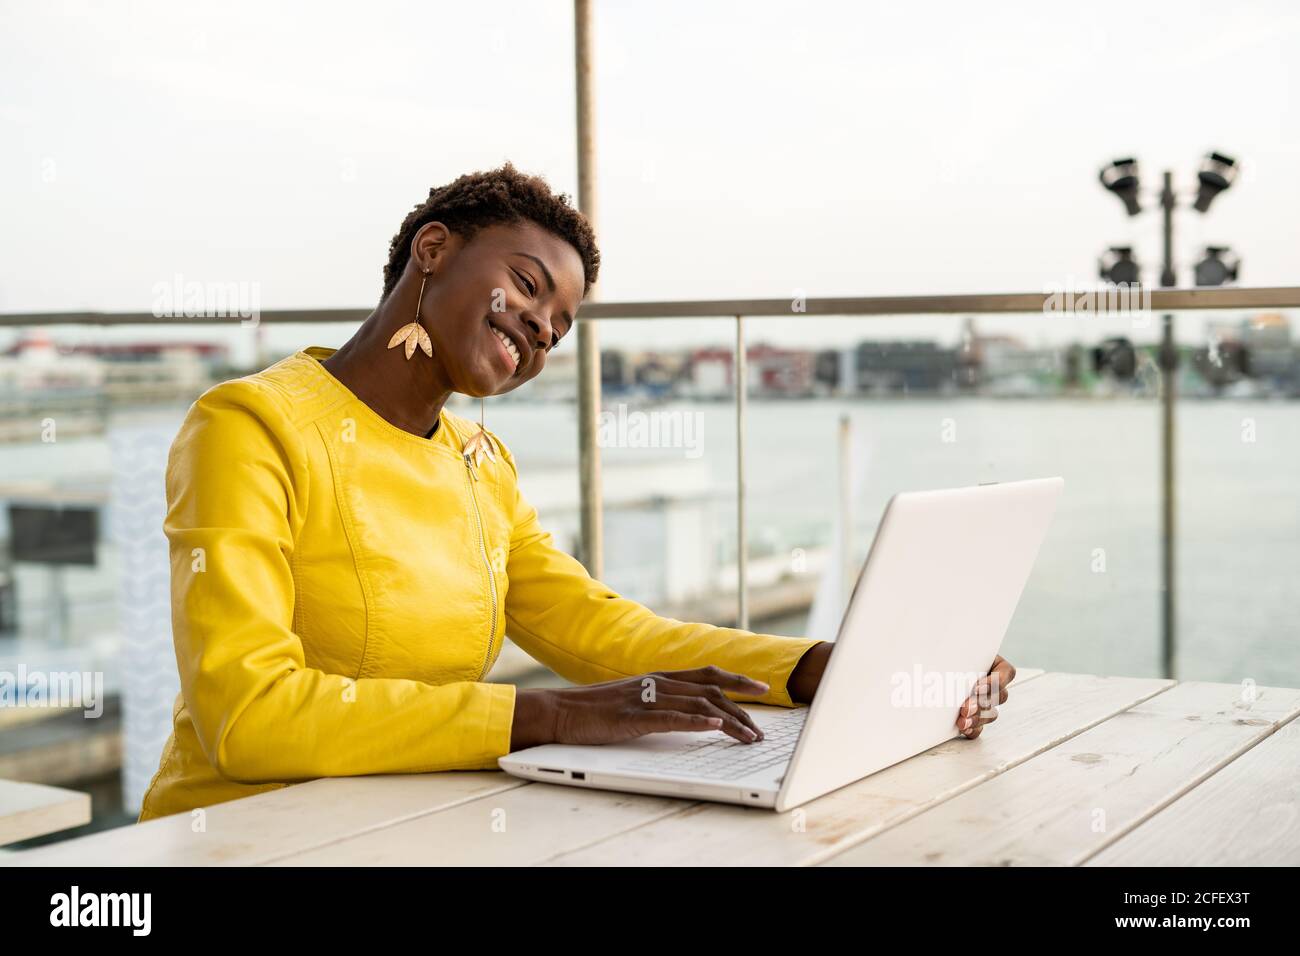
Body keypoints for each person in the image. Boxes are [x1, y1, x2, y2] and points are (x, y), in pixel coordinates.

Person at [138, 163, 1015, 821]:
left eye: (559, 324)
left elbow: (603, 632)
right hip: (242, 832)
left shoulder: (479, 462)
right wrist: (545, 715)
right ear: (433, 249)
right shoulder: (250, 427)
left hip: (403, 821)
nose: (539, 327)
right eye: (525, 284)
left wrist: (816, 668)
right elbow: (248, 715)